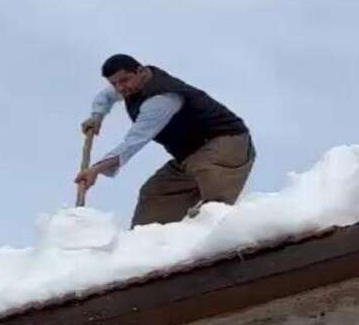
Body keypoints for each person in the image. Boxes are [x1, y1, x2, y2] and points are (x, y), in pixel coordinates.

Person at [75, 54, 255, 226]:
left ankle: (221, 239)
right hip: (188, 155)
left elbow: (134, 142)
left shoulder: (162, 99)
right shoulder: (132, 85)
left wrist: (96, 169)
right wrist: (97, 116)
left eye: (124, 80)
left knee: (214, 203)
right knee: (155, 194)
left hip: (226, 143)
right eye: (114, 84)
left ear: (141, 71)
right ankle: (146, 244)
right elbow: (106, 96)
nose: (121, 88)